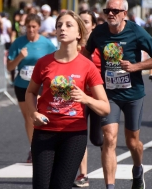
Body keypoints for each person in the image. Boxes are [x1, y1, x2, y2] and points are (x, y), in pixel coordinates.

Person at [81, 0, 152, 189]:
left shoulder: (136, 31)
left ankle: (137, 169)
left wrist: (136, 67)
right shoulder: (99, 32)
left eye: (115, 11)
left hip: (133, 94)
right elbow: (85, 55)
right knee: (109, 137)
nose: (110, 14)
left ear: (124, 14)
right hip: (109, 94)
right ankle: (110, 186)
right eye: (107, 10)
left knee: (132, 142)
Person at [25, 10, 110, 189]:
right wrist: (33, 113)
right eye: (59, 26)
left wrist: (86, 98)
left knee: (61, 186)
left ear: (79, 33)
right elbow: (31, 92)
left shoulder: (88, 66)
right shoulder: (44, 63)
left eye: (68, 25)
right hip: (44, 131)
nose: (62, 28)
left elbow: (105, 108)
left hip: (74, 135)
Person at [7, 14, 56, 163]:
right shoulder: (18, 43)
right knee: (29, 118)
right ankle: (33, 147)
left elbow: (56, 62)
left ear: (39, 27)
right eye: (28, 27)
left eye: (34, 26)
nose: (31, 29)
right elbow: (10, 67)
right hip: (22, 85)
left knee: (38, 115)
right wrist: (20, 57)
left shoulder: (46, 44)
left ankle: (45, 146)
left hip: (40, 86)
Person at [73, 10, 102, 188]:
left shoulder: (100, 46)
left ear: (93, 25)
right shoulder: (73, 45)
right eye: (80, 21)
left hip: (98, 97)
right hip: (79, 97)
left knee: (98, 139)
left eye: (86, 21)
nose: (83, 24)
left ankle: (109, 162)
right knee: (79, 135)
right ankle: (83, 174)